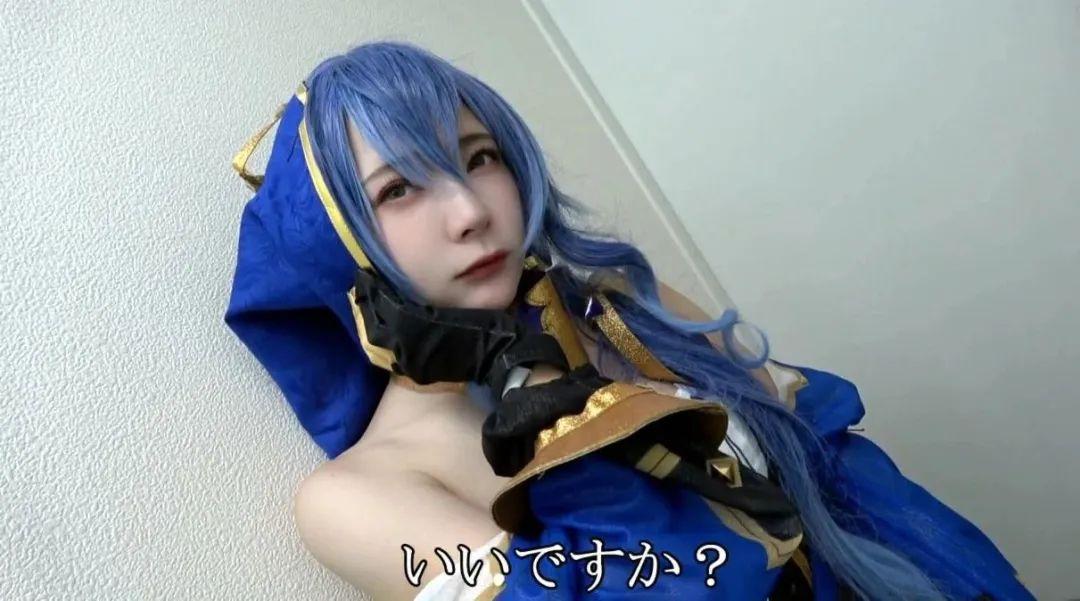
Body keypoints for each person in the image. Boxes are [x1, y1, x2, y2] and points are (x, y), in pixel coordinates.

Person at [224, 41, 1033, 600]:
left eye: (479, 157)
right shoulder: (357, 498)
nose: (470, 211)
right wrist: (554, 416)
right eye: (398, 190)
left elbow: (846, 479)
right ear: (332, 238)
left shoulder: (618, 304)